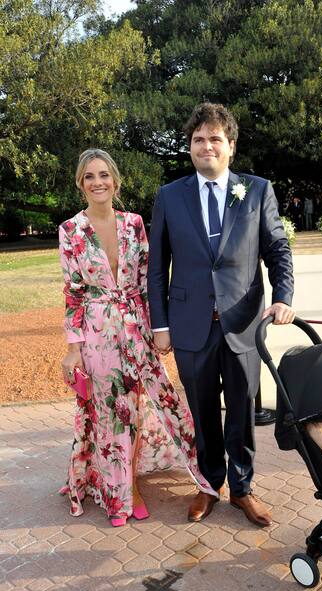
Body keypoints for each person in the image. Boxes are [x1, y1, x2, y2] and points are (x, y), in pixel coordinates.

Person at [147, 103, 295, 527]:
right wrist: (160, 324)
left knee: (242, 412)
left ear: (230, 146)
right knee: (203, 411)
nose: (206, 146)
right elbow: (157, 267)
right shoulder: (170, 197)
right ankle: (209, 485)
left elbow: (277, 250)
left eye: (215, 139)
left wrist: (283, 295)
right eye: (198, 139)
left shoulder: (257, 190)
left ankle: (243, 488)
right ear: (189, 147)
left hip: (243, 325)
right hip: (190, 326)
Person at [59, 148, 216, 527]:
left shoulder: (134, 224)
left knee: (149, 402)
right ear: (81, 184)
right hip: (98, 333)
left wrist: (159, 330)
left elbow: (150, 282)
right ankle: (123, 493)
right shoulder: (70, 231)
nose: (98, 182)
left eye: (104, 175)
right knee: (114, 413)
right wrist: (72, 349)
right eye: (89, 177)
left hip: (138, 327)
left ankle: (161, 478)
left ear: (115, 180)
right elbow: (73, 293)